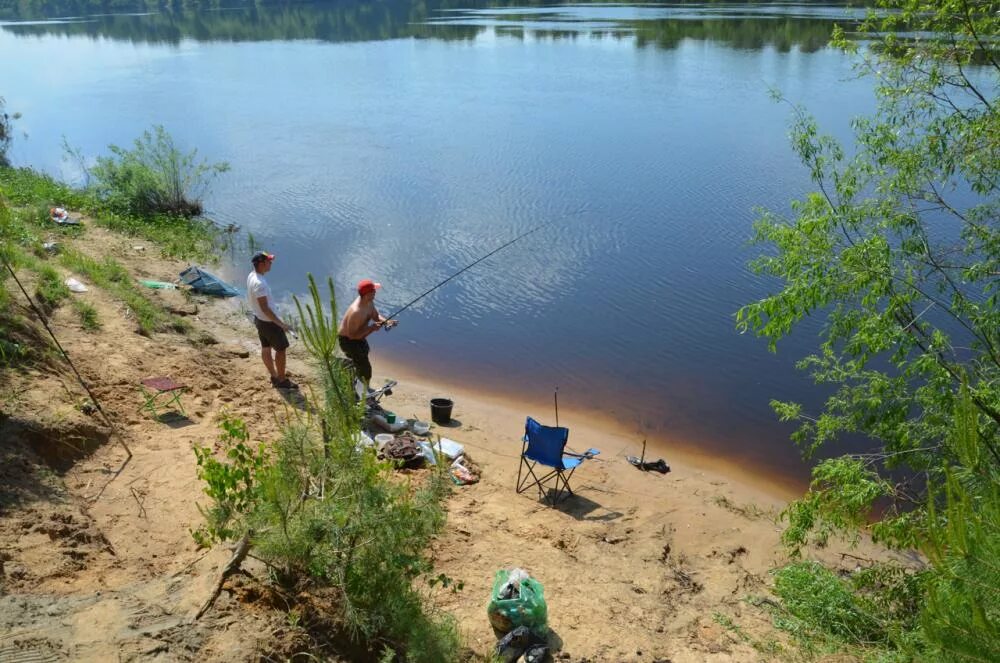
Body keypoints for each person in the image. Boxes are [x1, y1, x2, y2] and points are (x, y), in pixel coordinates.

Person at [247, 251, 296, 390]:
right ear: (261, 264)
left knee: (266, 347)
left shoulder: (252, 276)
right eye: (269, 261)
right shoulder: (260, 283)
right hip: (269, 322)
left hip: (259, 319)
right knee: (281, 349)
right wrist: (281, 324)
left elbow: (261, 308)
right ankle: (281, 380)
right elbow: (265, 308)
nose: (271, 263)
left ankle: (274, 375)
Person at [338, 278, 397, 391]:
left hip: (357, 337)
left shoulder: (368, 301)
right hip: (348, 340)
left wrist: (386, 322)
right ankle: (362, 392)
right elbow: (352, 336)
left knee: (365, 351)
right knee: (365, 369)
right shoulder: (356, 312)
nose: (376, 292)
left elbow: (375, 316)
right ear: (368, 294)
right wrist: (372, 328)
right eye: (374, 291)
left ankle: (352, 375)